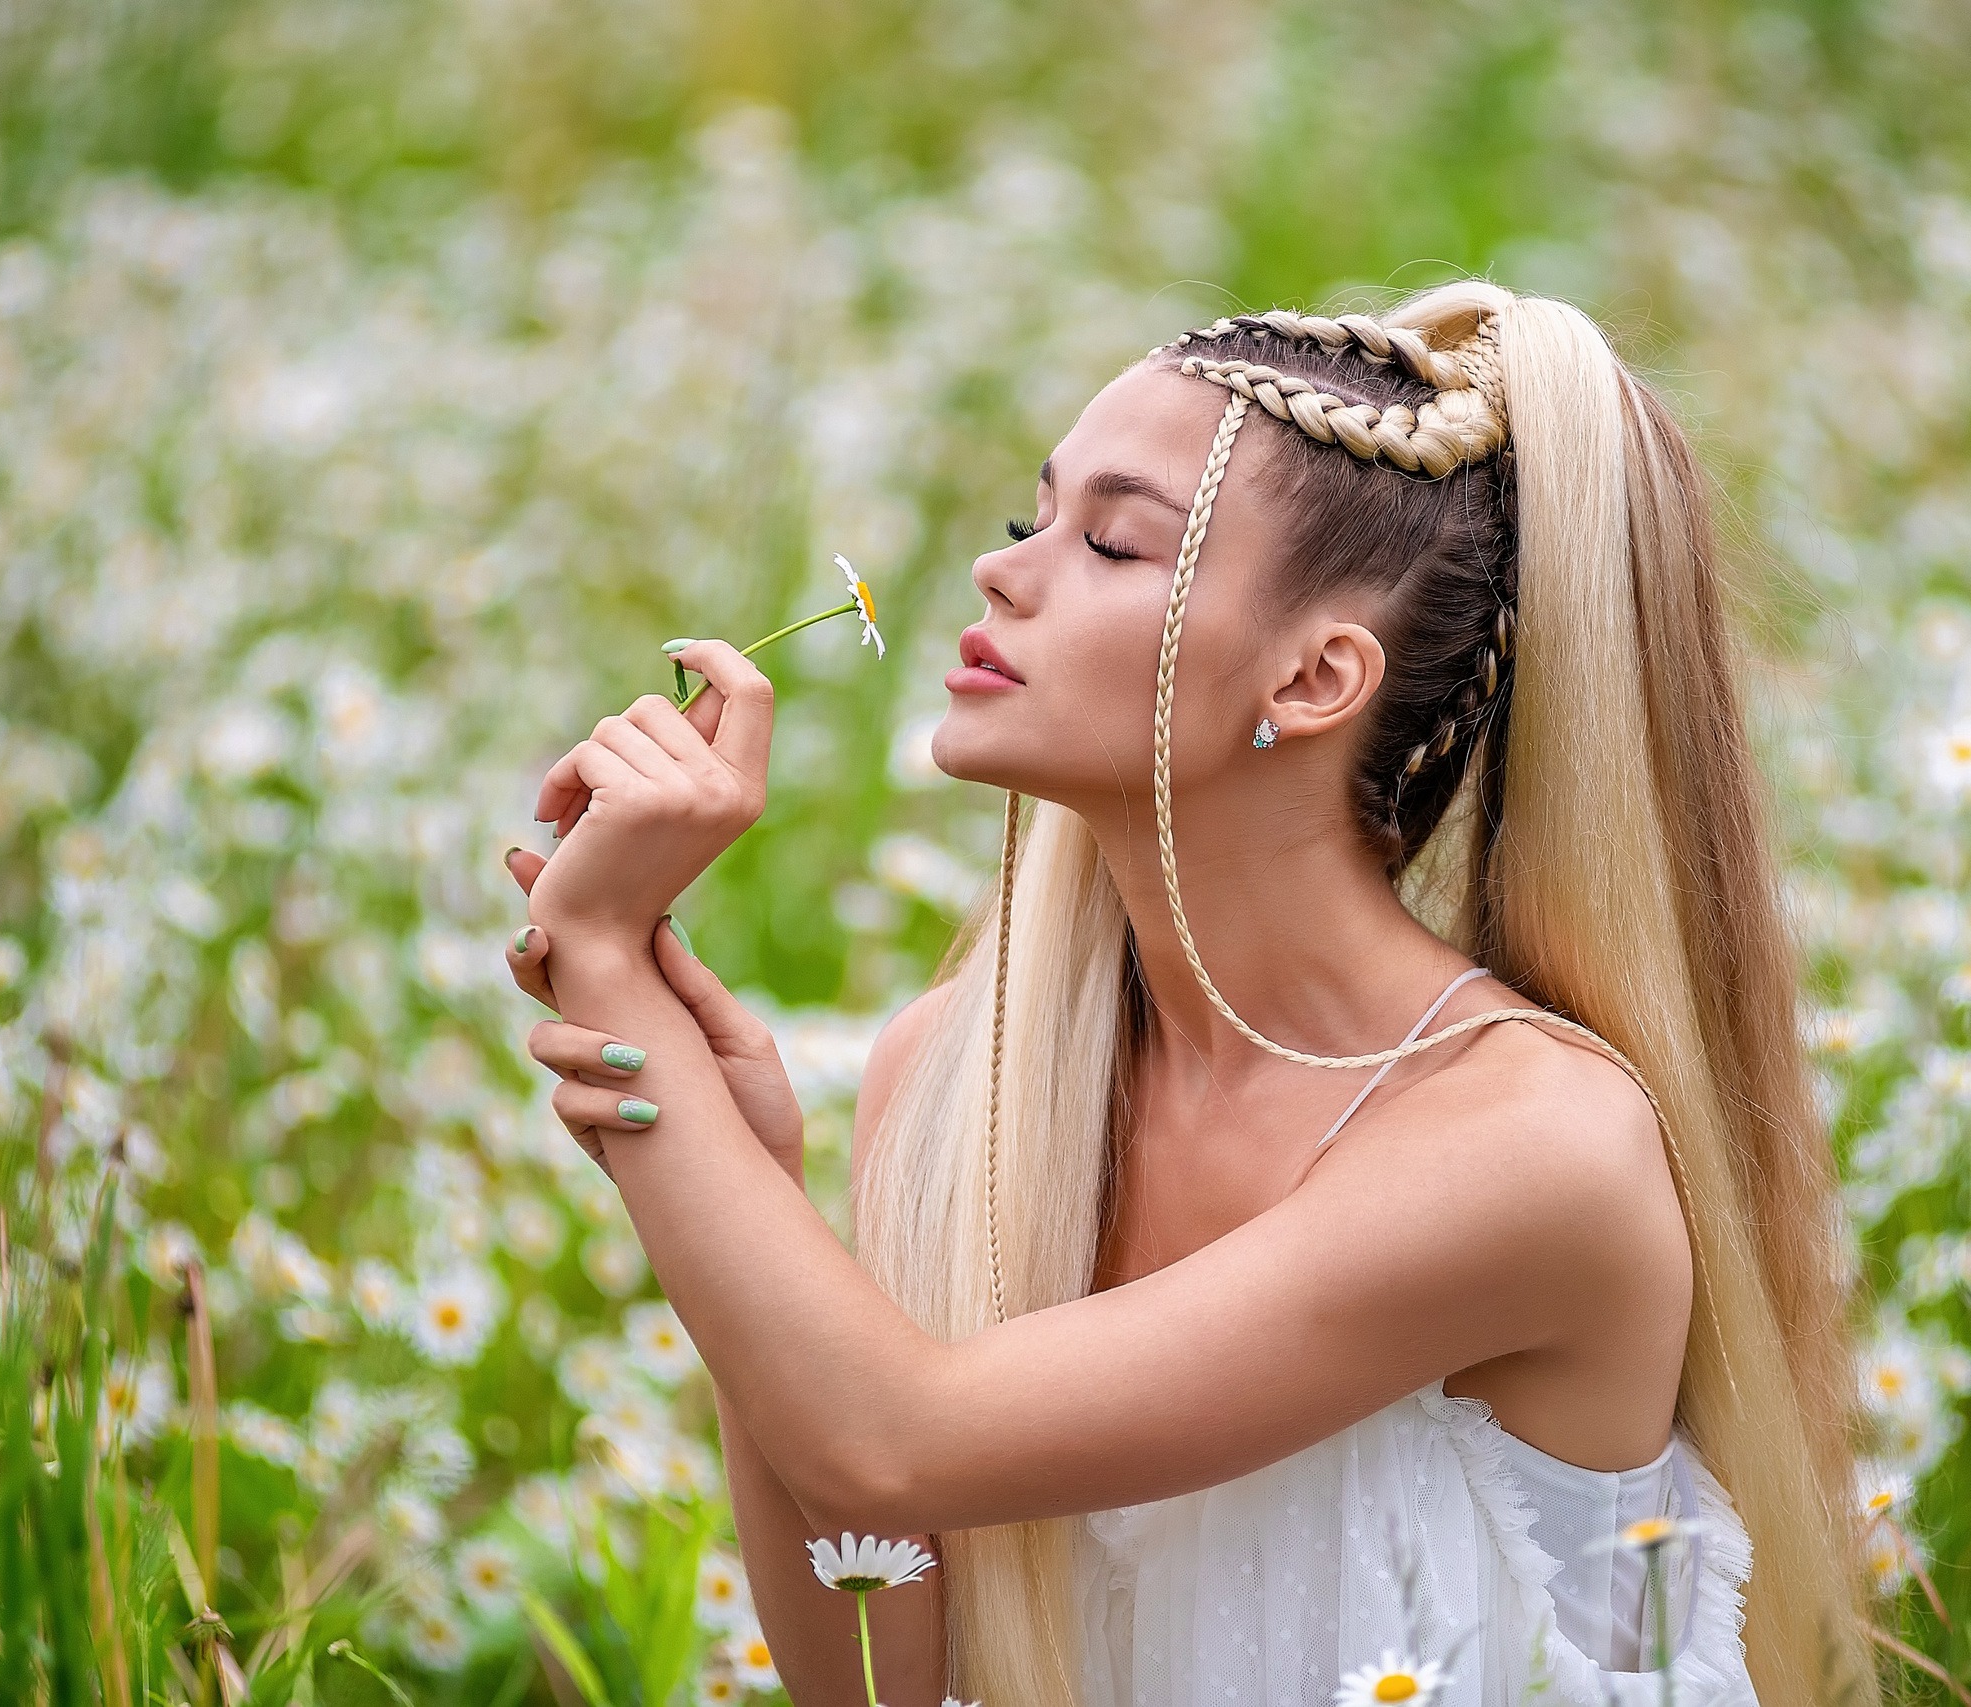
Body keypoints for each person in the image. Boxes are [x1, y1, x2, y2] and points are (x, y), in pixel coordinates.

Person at [498, 282, 1872, 1707]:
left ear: (1318, 674)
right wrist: (757, 1187)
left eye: (1110, 541)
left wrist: (607, 954)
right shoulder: (964, 1080)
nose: (1001, 571)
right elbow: (881, 1677)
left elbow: (886, 1440)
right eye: (1033, 522)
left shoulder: (1529, 1143)